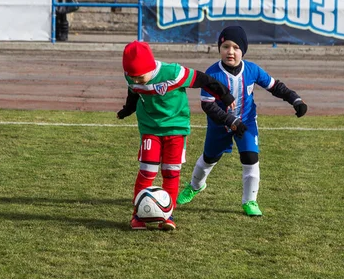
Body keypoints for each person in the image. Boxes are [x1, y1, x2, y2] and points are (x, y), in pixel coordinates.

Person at [177, 26, 308, 216]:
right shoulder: (212, 74)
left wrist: (295, 99)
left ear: (243, 51)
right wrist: (229, 120)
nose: (230, 51)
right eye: (226, 46)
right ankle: (195, 186)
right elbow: (208, 106)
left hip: (246, 122)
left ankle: (250, 202)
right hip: (219, 125)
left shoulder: (252, 70)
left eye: (236, 47)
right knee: (209, 158)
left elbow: (275, 86)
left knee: (250, 158)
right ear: (219, 49)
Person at [117, 40, 236, 231]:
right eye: (133, 77)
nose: (137, 80)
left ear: (150, 67)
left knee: (171, 172)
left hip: (176, 129)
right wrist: (127, 110)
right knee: (147, 172)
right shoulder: (131, 76)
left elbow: (204, 80)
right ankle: (138, 216)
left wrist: (226, 95)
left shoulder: (173, 73)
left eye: (140, 76)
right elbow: (133, 93)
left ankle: (167, 215)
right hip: (150, 129)